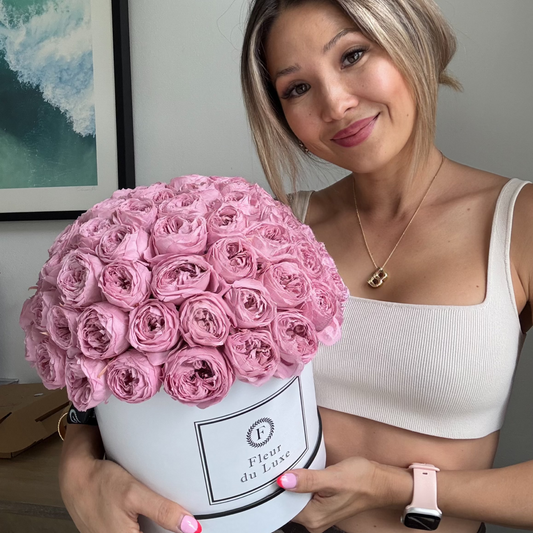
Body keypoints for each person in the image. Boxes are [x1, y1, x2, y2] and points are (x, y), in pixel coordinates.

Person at [59, 1, 533, 532]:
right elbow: (131, 363)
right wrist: (77, 461)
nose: (335, 103)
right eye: (297, 89)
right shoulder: (271, 230)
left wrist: (399, 487)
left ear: (408, 41)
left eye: (352, 54)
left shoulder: (521, 223)